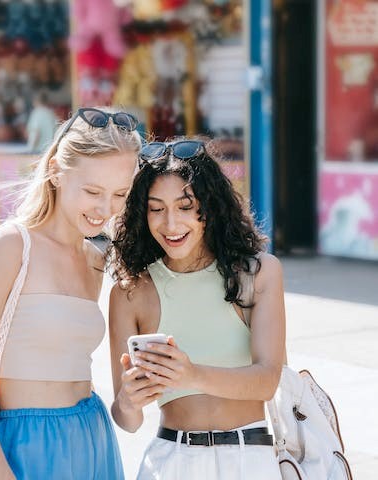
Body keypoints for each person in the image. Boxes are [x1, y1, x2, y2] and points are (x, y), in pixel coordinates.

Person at [0, 107, 142, 479]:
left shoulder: (95, 260)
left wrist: (134, 397)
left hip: (92, 435)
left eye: (120, 194)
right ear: (55, 170)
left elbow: (128, 418)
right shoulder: (11, 245)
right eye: (92, 191)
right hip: (24, 445)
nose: (106, 209)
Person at [109, 139, 285, 479]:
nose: (170, 224)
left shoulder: (258, 272)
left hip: (250, 460)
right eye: (156, 209)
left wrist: (190, 375)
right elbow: (127, 421)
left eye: (185, 206)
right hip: (170, 460)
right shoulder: (129, 293)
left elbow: (267, 381)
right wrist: (129, 402)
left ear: (210, 207)